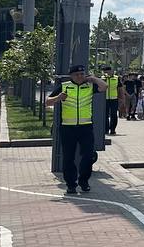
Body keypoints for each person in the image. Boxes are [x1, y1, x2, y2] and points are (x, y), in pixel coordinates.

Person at [45, 64, 107, 195]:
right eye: (77, 75)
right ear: (71, 76)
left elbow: (104, 87)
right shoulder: (64, 86)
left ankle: (84, 182)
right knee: (68, 157)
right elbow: (47, 102)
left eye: (82, 74)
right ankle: (71, 185)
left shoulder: (89, 86)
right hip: (68, 128)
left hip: (86, 127)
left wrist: (93, 78)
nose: (80, 76)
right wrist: (58, 98)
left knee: (88, 155)